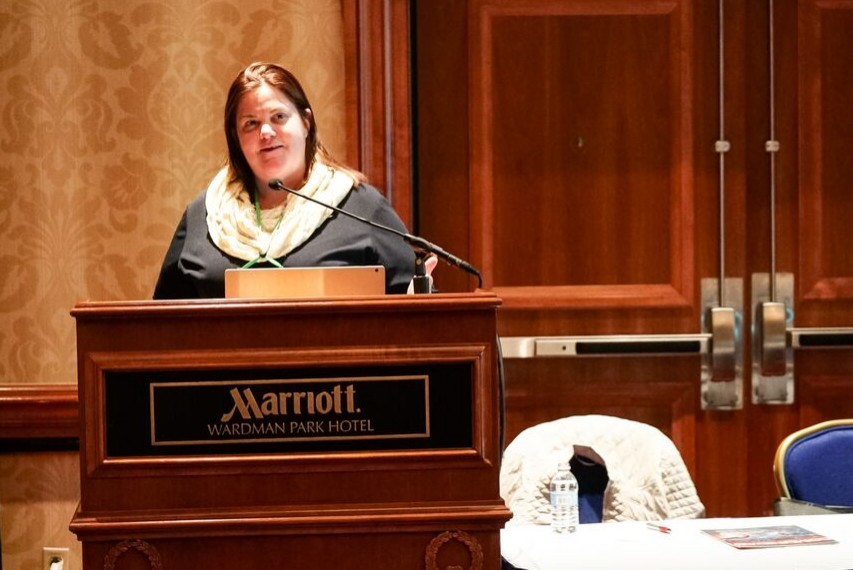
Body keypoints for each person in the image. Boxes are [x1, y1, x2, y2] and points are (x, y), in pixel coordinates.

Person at [153, 62, 418, 299]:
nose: (266, 132)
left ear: (306, 122)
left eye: (279, 117)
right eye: (251, 124)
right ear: (236, 137)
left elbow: (415, 310)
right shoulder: (205, 215)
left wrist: (418, 296)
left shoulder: (361, 207)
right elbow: (163, 326)